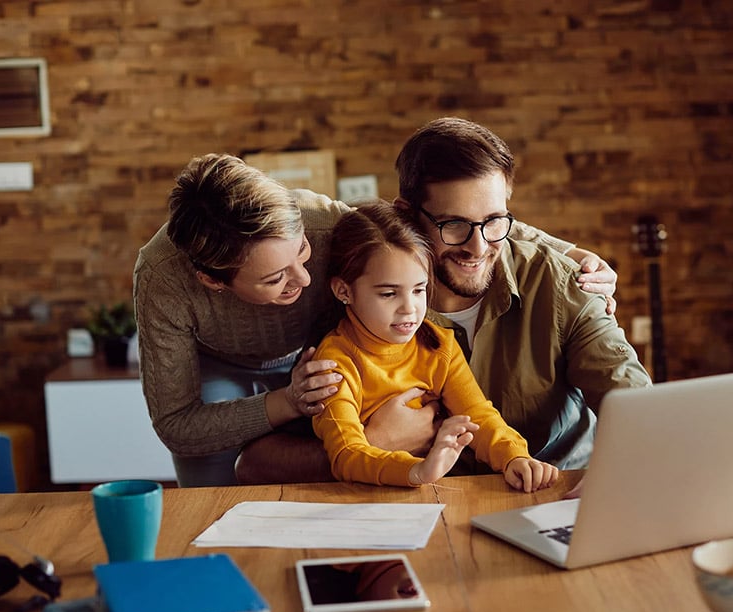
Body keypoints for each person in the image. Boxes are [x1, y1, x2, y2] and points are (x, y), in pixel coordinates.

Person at [134, 153, 616, 487]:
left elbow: (444, 224)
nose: (304, 279)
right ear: (213, 280)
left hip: (329, 353)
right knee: (214, 504)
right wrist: (287, 401)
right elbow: (177, 424)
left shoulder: (321, 221)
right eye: (276, 277)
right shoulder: (164, 281)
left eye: (303, 253)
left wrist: (568, 255)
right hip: (227, 368)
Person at [391, 117, 653, 471]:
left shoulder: (558, 283)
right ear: (406, 216)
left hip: (564, 486)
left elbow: (631, 399)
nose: (478, 247)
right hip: (433, 498)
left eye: (494, 221)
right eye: (454, 224)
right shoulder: (370, 295)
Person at [312, 201, 559, 491]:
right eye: (389, 293)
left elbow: (478, 415)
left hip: (427, 499)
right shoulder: (334, 362)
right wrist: (416, 471)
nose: (410, 309)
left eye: (418, 290)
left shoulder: (439, 344)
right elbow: (345, 455)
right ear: (344, 290)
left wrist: (513, 457)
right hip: (357, 505)